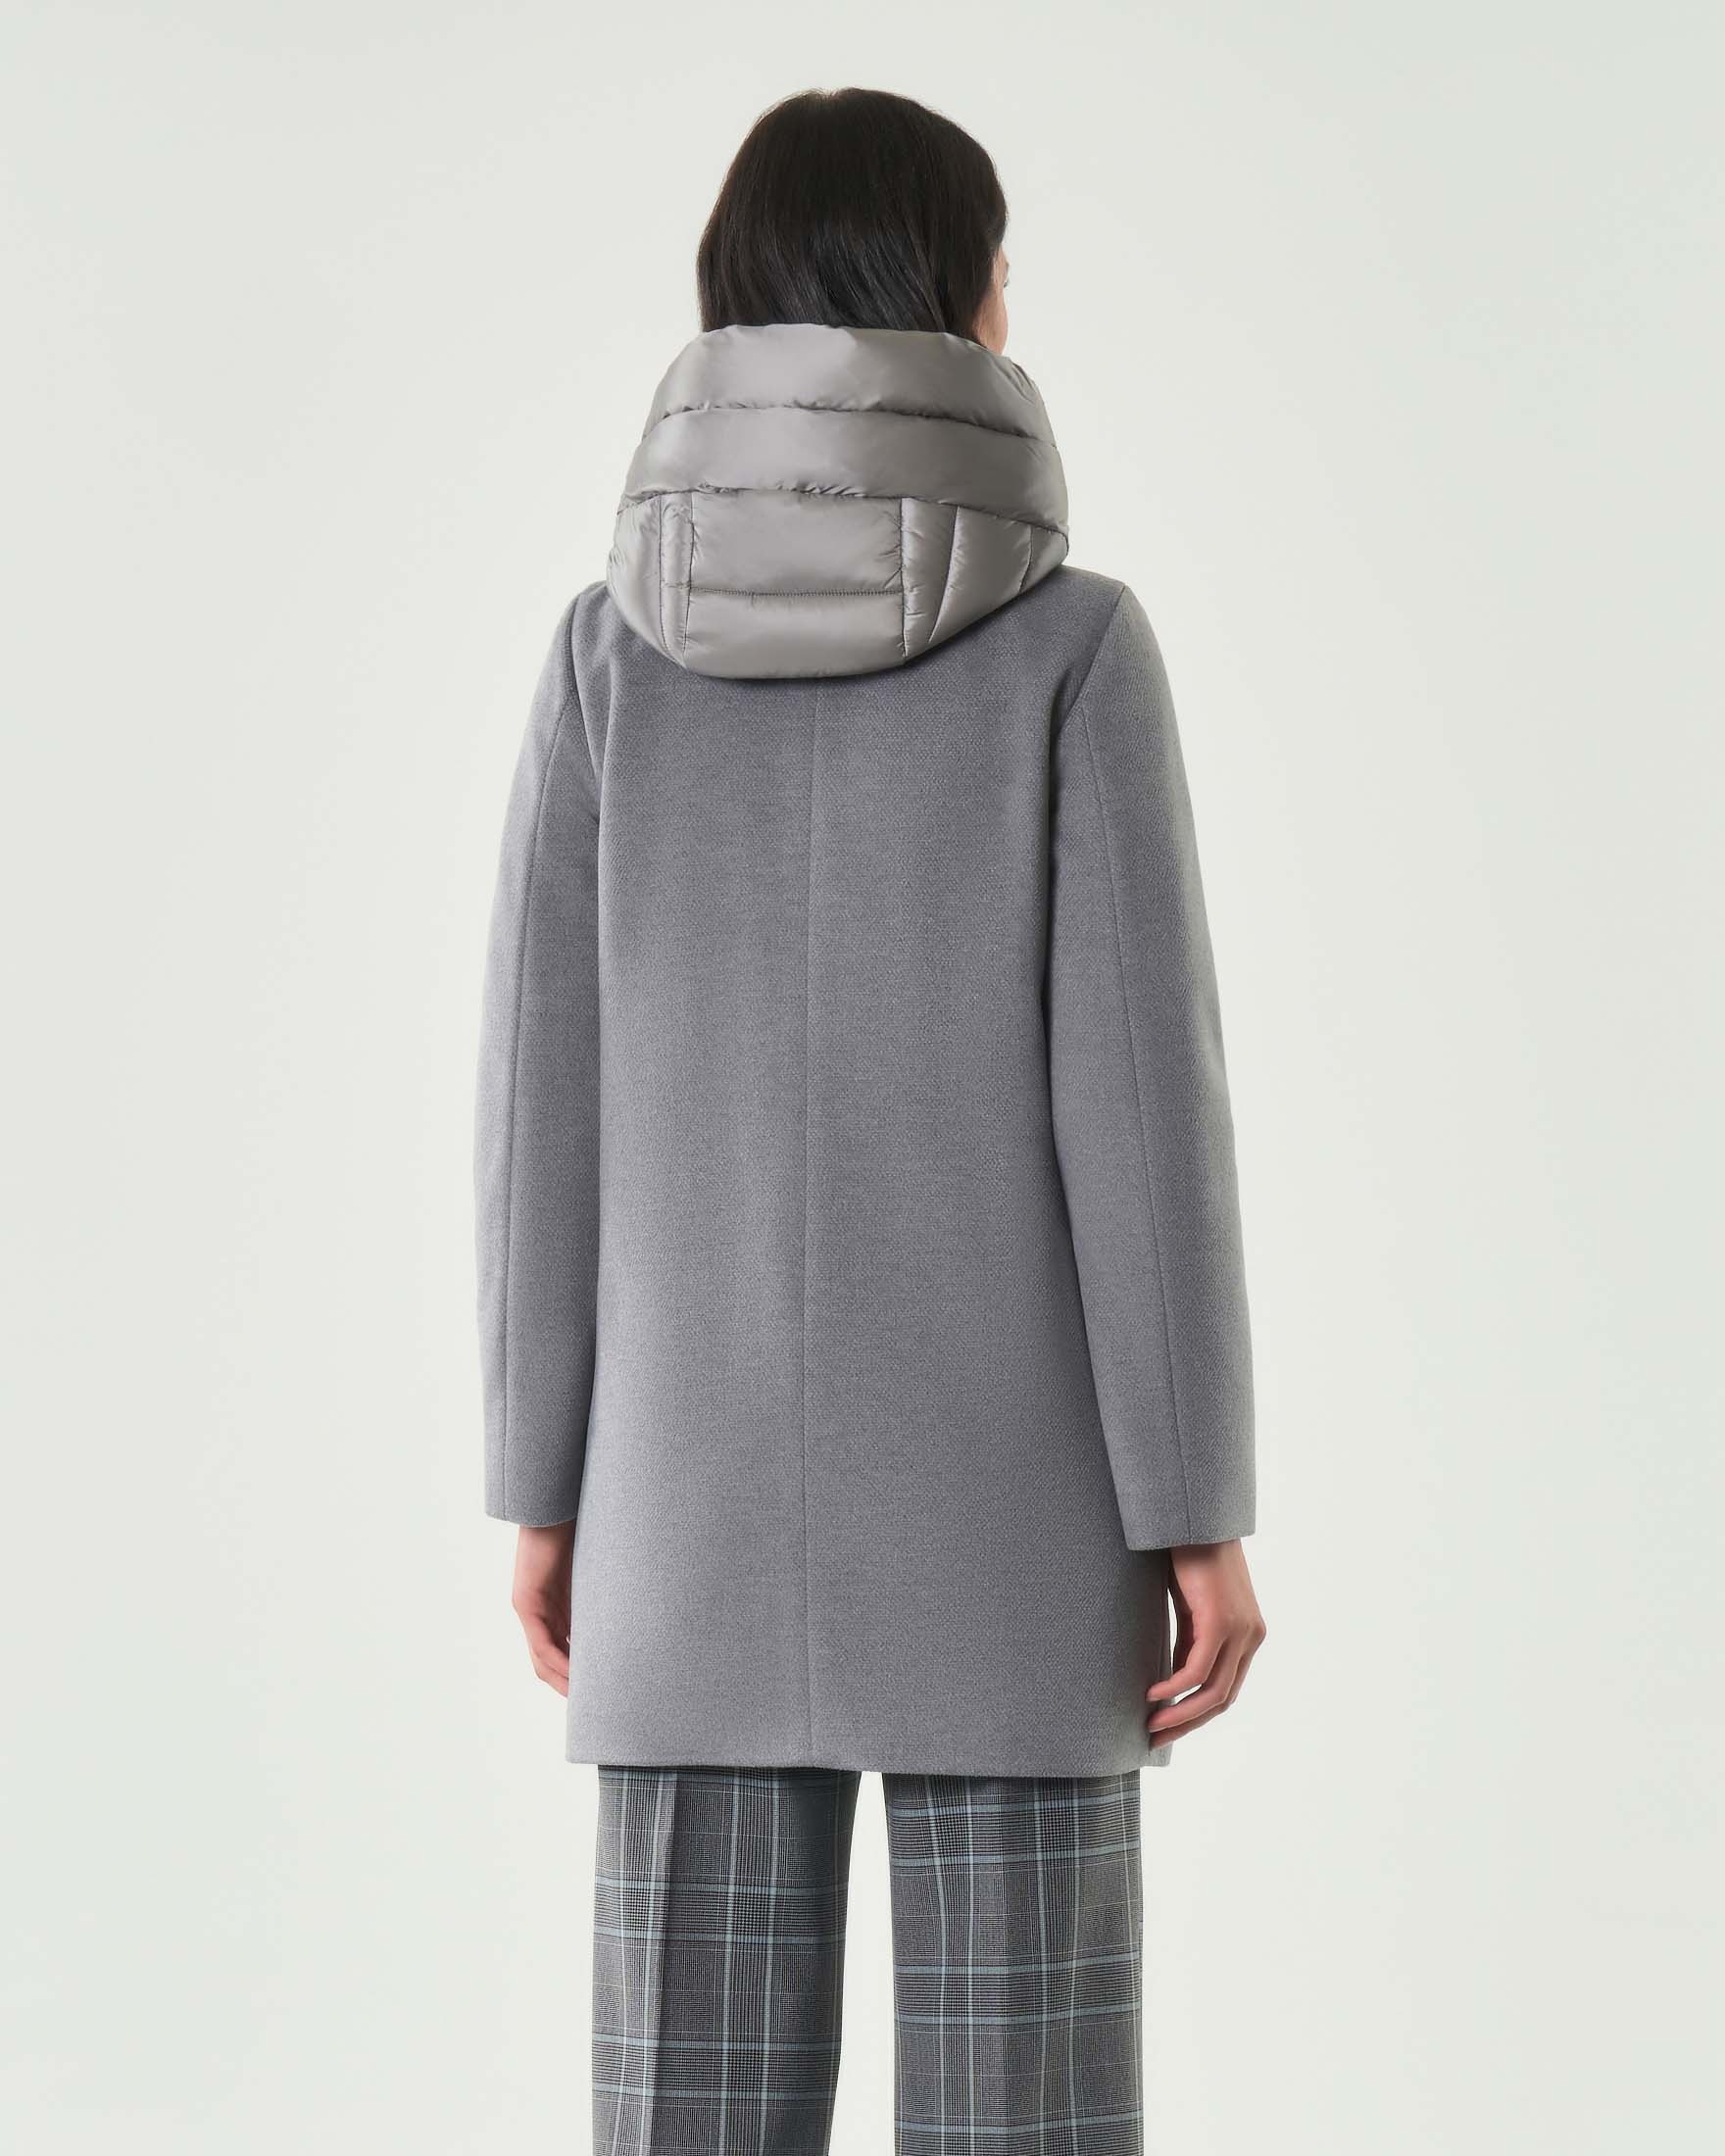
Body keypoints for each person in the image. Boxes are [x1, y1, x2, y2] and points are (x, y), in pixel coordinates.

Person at [475, 84, 1265, 2156]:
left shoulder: (606, 662)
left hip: (686, 1500)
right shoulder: (1075, 651)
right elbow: (1140, 1108)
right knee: (1028, 2120)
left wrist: (544, 1477)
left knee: (688, 2121)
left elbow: (543, 1104)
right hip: (1017, 1518)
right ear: (963, 298)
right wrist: (1193, 1502)